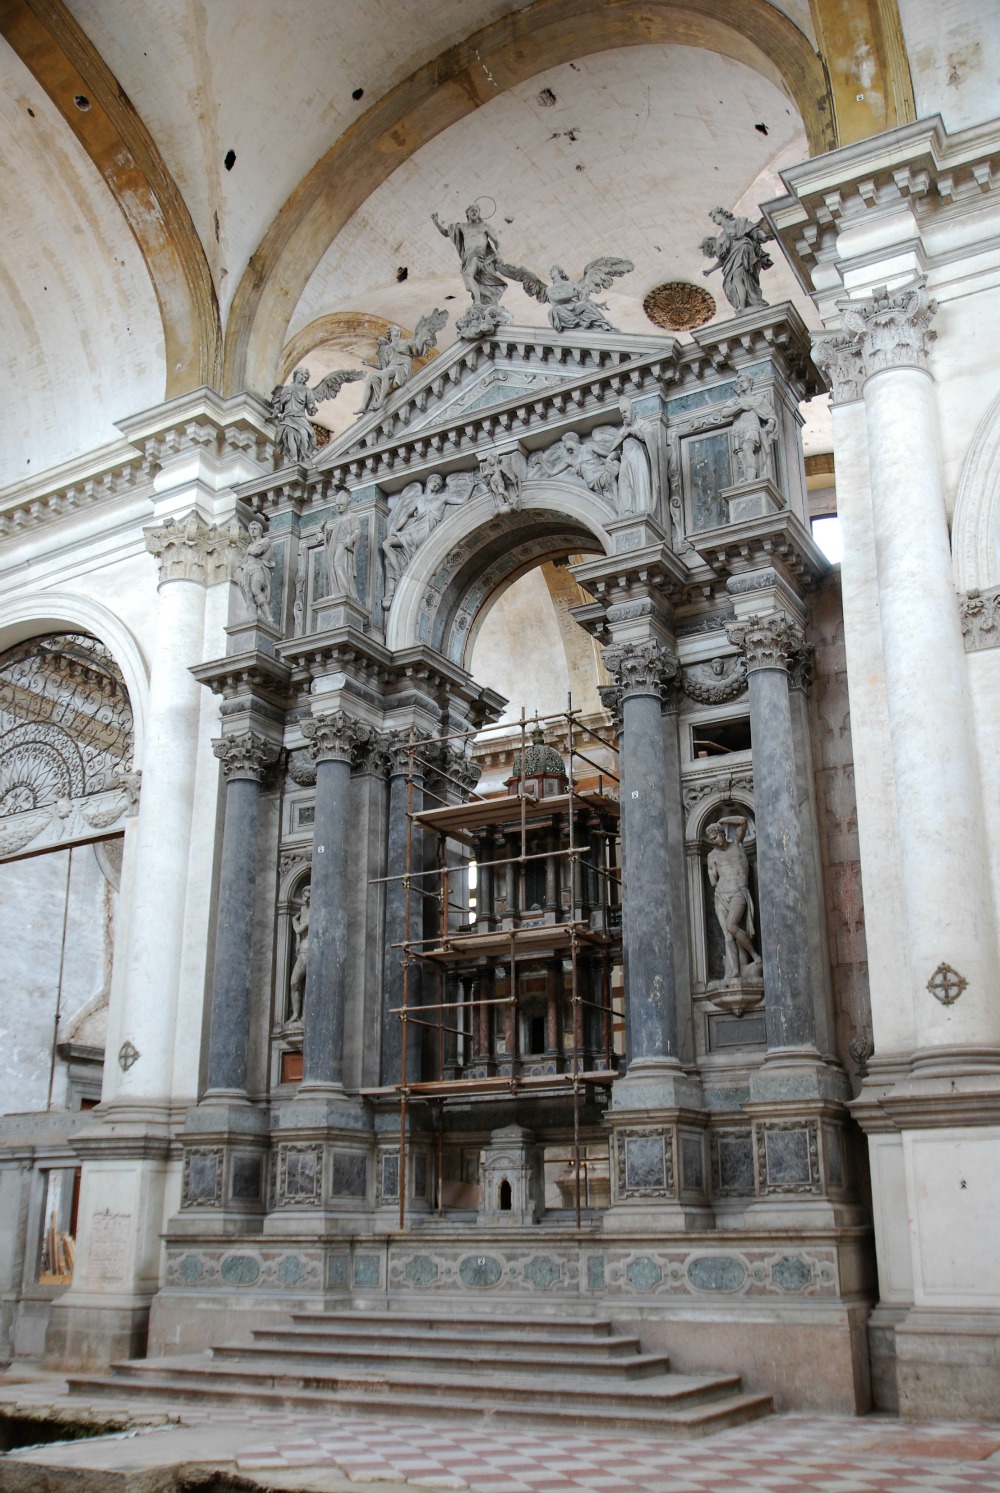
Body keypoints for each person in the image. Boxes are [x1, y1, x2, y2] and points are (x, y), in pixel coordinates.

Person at [705, 816, 761, 982]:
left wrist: (724, 819)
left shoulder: (737, 844)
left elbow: (743, 821)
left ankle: (754, 954)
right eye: (712, 839)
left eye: (716, 836)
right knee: (727, 935)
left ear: (722, 833)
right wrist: (713, 873)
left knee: (732, 926)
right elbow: (713, 881)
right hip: (721, 895)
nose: (715, 841)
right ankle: (735, 970)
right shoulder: (712, 856)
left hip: (738, 891)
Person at [431, 203, 507, 309]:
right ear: (467, 213)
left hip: (480, 256)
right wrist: (436, 222)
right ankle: (488, 295)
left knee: (468, 275)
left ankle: (477, 302)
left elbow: (496, 242)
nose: (474, 212)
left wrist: (498, 254)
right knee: (468, 285)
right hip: (469, 257)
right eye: (472, 210)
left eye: (476, 211)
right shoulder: (462, 227)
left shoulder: (485, 226)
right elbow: (445, 233)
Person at [700, 207, 773, 313]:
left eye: (714, 217)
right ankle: (749, 302)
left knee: (738, 275)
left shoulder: (737, 222)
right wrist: (710, 270)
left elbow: (753, 230)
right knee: (730, 282)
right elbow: (723, 259)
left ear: (722, 214)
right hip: (732, 259)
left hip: (743, 248)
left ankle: (742, 305)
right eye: (712, 219)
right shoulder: (720, 237)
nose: (714, 220)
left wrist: (765, 236)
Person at [238, 521, 274, 621]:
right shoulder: (250, 545)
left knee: (255, 589)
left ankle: (268, 616)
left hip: (258, 568)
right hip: (247, 570)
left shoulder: (265, 541)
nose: (252, 531)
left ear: (260, 530)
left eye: (255, 529)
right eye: (250, 529)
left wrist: (249, 551)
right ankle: (252, 616)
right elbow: (245, 561)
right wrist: (242, 566)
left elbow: (258, 551)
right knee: (248, 593)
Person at [287, 886, 310, 1023]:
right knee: (294, 983)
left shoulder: (314, 911)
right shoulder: (302, 910)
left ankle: (304, 1016)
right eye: (305, 896)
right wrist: (296, 943)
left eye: (309, 897)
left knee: (302, 982)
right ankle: (296, 1014)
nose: (306, 900)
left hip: (309, 949)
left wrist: (293, 920)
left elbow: (299, 929)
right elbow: (299, 934)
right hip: (302, 948)